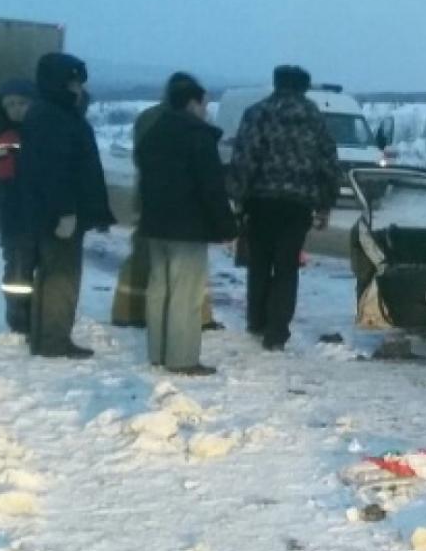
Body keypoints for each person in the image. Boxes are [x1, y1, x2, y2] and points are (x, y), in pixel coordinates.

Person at [228, 65, 337, 350]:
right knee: (287, 266)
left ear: (276, 83)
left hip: (260, 202)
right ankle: (277, 331)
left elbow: (245, 157)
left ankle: (257, 319)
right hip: (298, 204)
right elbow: (328, 163)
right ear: (304, 86)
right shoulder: (314, 117)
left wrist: (238, 196)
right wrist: (325, 205)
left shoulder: (257, 113)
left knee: (259, 261)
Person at [136, 73, 237, 374]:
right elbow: (211, 187)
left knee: (158, 289)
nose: (206, 110)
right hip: (188, 228)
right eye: (204, 103)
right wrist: (227, 228)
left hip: (154, 223)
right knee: (186, 294)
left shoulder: (154, 132)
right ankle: (181, 358)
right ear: (193, 102)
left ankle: (157, 352)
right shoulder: (198, 135)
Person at [18, 52, 114, 358]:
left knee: (52, 274)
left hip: (52, 210)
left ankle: (45, 337)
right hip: (59, 213)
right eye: (74, 81)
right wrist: (65, 212)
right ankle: (54, 340)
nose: (78, 88)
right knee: (61, 278)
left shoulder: (51, 112)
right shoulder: (53, 117)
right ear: (60, 82)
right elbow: (55, 170)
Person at [111, 79, 221, 330]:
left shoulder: (150, 118)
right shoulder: (186, 125)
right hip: (175, 205)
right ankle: (143, 314)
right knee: (169, 266)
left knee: (151, 259)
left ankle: (132, 310)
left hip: (150, 199)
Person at [0, 79, 36, 333]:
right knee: (18, 265)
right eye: (9, 104)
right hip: (12, 208)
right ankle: (19, 319)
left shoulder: (42, 129)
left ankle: (39, 313)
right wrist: (5, 191)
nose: (16, 109)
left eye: (22, 103)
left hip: (39, 206)